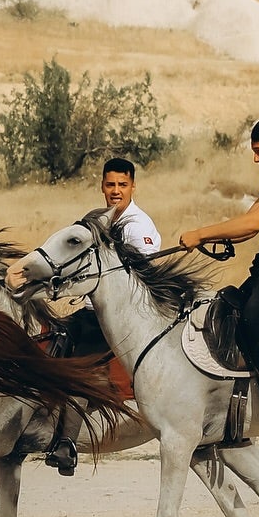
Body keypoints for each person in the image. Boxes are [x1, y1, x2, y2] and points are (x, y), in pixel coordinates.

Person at [43, 154, 161, 475]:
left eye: (122, 184)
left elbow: (144, 275)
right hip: (89, 310)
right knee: (50, 336)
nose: (116, 191)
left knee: (83, 367)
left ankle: (66, 444)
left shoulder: (138, 226)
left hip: (119, 316)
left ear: (133, 187)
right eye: (110, 185)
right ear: (102, 187)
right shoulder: (96, 221)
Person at [180, 115, 259, 425]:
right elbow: (246, 227)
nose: (256, 159)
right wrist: (212, 237)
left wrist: (201, 234)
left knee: (253, 318)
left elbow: (253, 224)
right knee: (230, 312)